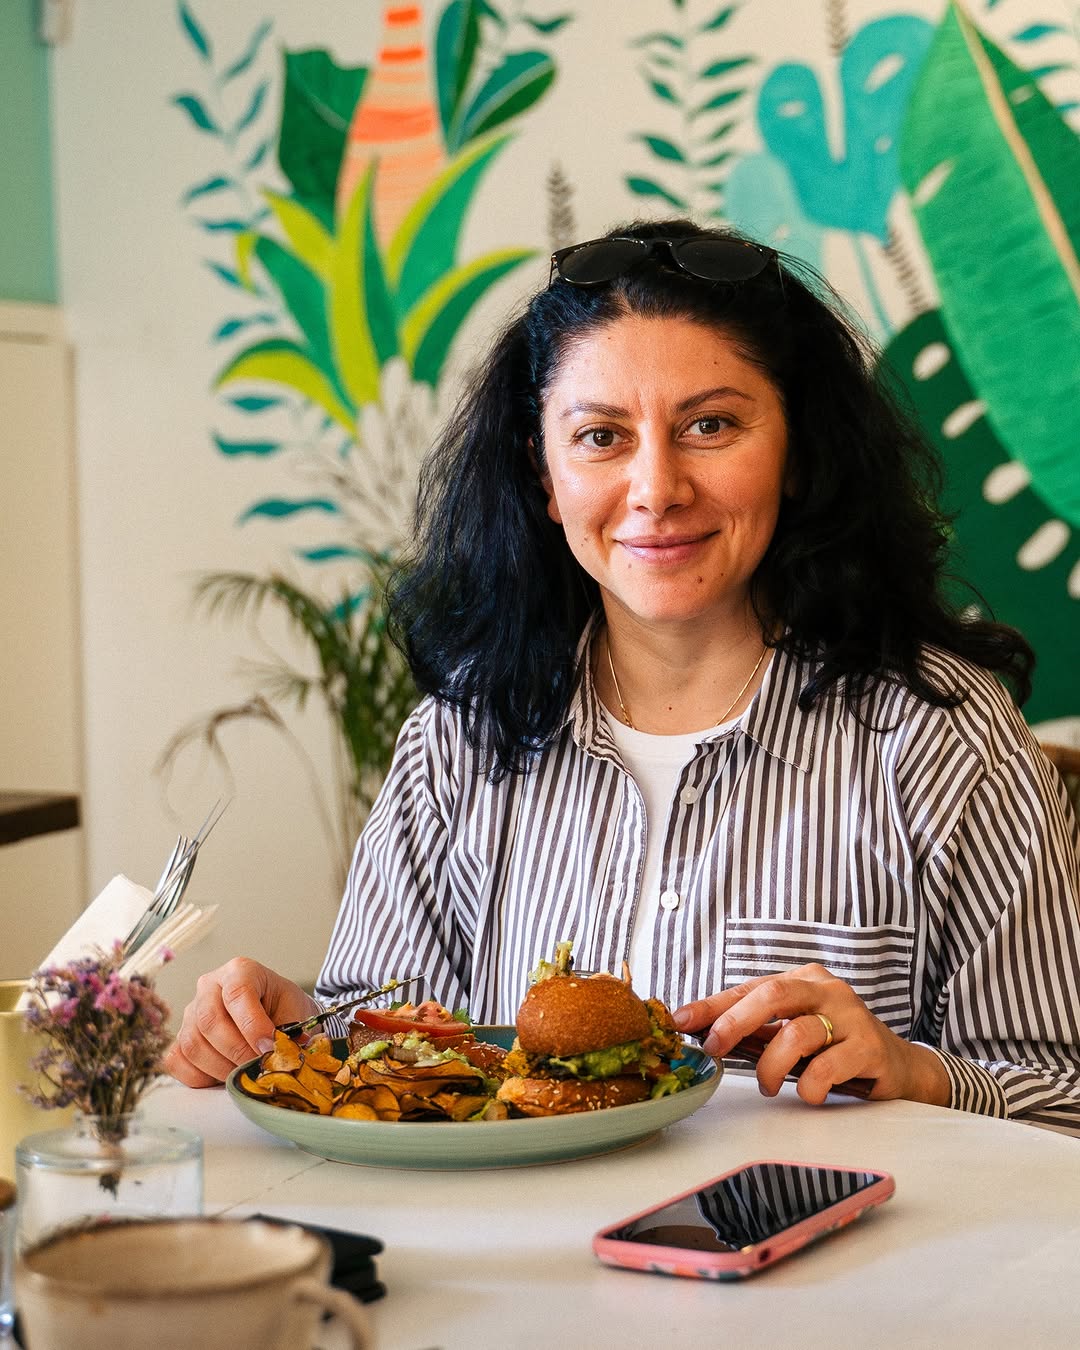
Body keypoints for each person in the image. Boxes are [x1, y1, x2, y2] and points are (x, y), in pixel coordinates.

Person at [166, 218, 1080, 1134]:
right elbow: (392, 1054)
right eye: (601, 436)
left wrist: (914, 1070)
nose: (656, 489)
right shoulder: (458, 737)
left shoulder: (942, 734)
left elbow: (1063, 1094)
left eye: (710, 425)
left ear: (798, 452)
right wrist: (291, 1030)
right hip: (523, 1229)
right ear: (544, 474)